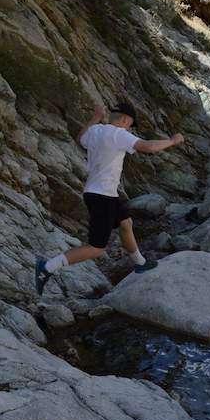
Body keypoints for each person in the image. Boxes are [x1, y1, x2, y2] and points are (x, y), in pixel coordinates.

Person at [34, 102, 184, 296]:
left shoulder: (96, 130)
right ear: (124, 120)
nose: (130, 128)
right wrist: (172, 140)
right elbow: (149, 146)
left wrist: (96, 117)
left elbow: (81, 138)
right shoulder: (118, 134)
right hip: (102, 196)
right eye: (130, 124)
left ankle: (140, 263)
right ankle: (47, 267)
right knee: (96, 247)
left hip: (103, 193)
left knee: (126, 223)